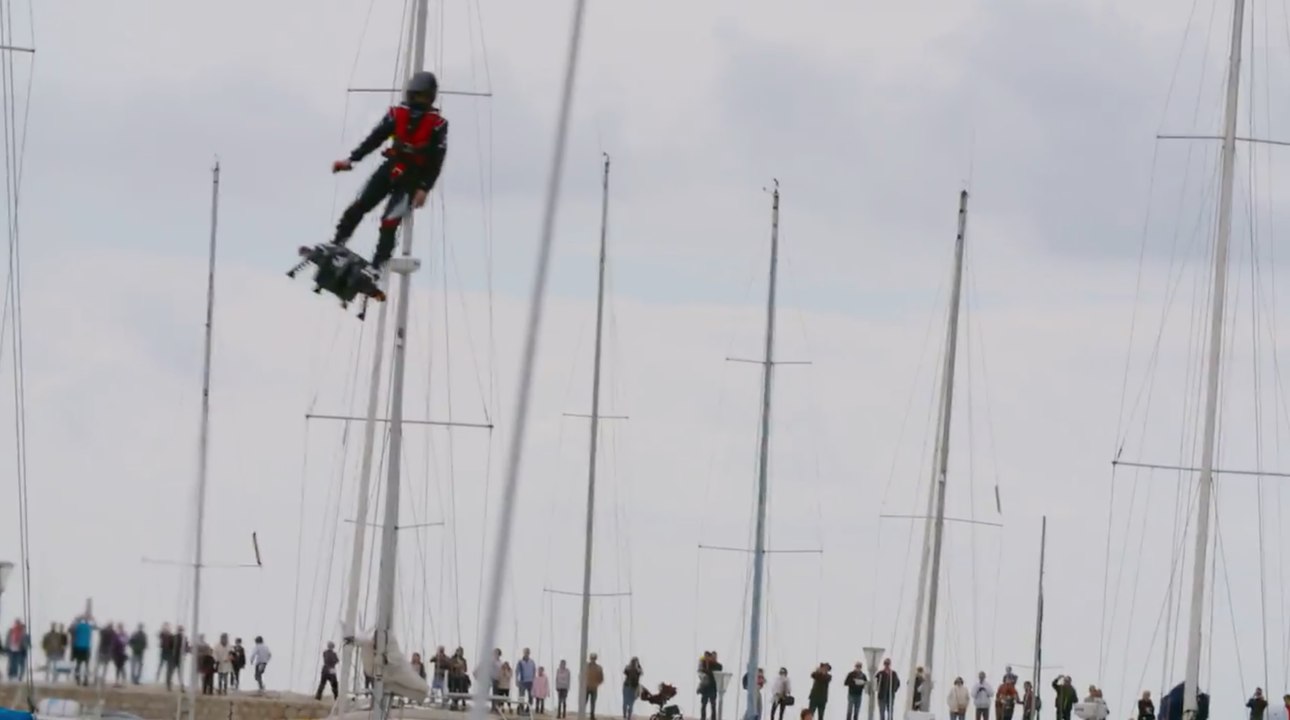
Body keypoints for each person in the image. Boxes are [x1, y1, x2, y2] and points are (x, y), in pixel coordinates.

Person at [329, 70, 448, 280]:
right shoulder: (396, 114)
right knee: (361, 204)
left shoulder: (438, 125)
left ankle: (377, 264)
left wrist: (424, 188)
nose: (418, 100)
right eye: (415, 95)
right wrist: (352, 160)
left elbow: (436, 161)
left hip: (413, 178)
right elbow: (375, 139)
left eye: (423, 96)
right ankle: (338, 241)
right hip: (390, 168)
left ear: (430, 97)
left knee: (389, 221)